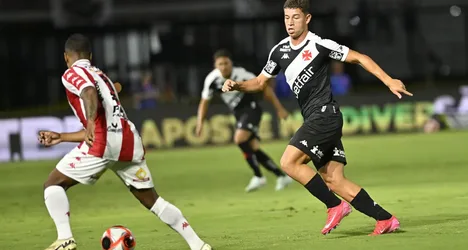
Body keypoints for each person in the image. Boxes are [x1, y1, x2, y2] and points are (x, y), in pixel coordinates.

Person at [222, 0, 412, 235]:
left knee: (288, 163)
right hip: (319, 119)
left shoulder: (320, 44)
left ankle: (335, 205)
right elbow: (260, 82)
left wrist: (389, 80)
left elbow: (360, 58)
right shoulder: (279, 51)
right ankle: (385, 219)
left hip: (324, 117)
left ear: (307, 18)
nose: (290, 23)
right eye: (286, 18)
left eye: (296, 17)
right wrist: (237, 85)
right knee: (334, 180)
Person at [39, 34, 212, 250]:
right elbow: (103, 122)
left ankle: (65, 238)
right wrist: (63, 137)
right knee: (153, 201)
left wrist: (91, 122)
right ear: (90, 56)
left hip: (104, 142)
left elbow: (88, 93)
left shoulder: (72, 73)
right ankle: (199, 245)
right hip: (128, 140)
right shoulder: (102, 75)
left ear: (66, 57)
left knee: (53, 184)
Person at [196, 49, 293, 192]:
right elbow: (204, 102)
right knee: (253, 147)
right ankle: (281, 176)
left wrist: (279, 108)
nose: (223, 67)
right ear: (215, 66)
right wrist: (200, 123)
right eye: (220, 64)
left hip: (251, 109)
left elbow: (264, 87)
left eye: (226, 63)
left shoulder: (242, 74)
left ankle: (258, 177)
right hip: (237, 113)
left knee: (239, 139)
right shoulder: (211, 79)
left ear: (231, 63)